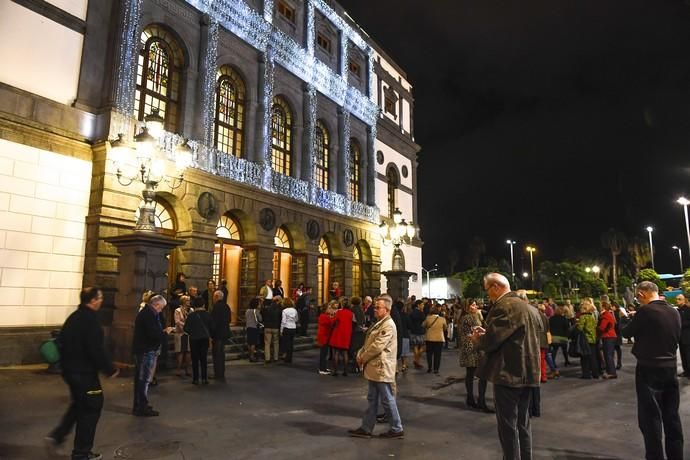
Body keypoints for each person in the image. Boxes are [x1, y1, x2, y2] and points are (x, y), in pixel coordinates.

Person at [472, 273, 541, 460]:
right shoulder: (530, 309)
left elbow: (491, 342)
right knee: (523, 423)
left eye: (487, 291)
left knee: (508, 427)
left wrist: (478, 339)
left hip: (509, 373)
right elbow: (517, 336)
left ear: (495, 287)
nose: (488, 296)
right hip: (528, 373)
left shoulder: (505, 306)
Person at [46, 288, 118, 460]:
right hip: (84, 373)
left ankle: (57, 437)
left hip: (70, 371)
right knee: (91, 408)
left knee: (79, 404)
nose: (101, 301)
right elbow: (96, 350)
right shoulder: (90, 321)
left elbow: (62, 343)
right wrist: (109, 369)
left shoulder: (74, 317)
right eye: (100, 298)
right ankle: (81, 452)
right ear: (93, 300)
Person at [622, 281, 683, 460]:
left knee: (651, 419)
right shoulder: (674, 312)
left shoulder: (645, 312)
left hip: (649, 369)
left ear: (642, 294)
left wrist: (629, 317)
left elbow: (626, 333)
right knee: (672, 417)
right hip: (670, 367)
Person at [348, 294, 404, 439]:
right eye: (375, 307)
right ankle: (367, 427)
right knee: (372, 398)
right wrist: (361, 353)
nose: (375, 309)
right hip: (375, 367)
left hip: (381, 367)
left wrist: (362, 357)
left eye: (378, 307)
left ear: (387, 309)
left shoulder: (388, 325)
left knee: (387, 398)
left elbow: (377, 346)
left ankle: (396, 427)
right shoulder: (380, 322)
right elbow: (369, 342)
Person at [132, 294, 174, 416]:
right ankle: (140, 406)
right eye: (161, 307)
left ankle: (141, 404)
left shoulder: (149, 314)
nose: (161, 310)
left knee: (143, 379)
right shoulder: (148, 315)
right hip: (145, 351)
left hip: (146, 350)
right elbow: (153, 334)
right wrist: (165, 332)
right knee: (143, 380)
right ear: (156, 304)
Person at [459, 299, 492, 413]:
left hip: (471, 346)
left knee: (471, 374)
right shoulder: (469, 317)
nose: (476, 307)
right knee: (480, 374)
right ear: (467, 307)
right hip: (473, 347)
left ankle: (471, 398)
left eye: (475, 305)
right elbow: (479, 331)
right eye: (473, 305)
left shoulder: (472, 316)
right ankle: (480, 401)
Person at [184, 297, 212, 384]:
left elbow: (186, 328)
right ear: (203, 304)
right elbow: (212, 327)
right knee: (203, 358)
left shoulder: (191, 316)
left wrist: (192, 332)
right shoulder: (208, 315)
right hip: (204, 339)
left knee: (195, 359)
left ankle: (195, 379)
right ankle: (204, 378)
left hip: (194, 339)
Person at [329, 298, 354, 376]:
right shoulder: (351, 313)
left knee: (336, 352)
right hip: (347, 333)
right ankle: (345, 371)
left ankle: (335, 371)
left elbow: (333, 321)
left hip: (338, 333)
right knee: (345, 353)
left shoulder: (339, 312)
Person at [210, 290, 230, 381]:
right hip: (225, 333)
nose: (213, 298)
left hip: (217, 334)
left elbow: (213, 322)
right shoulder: (226, 306)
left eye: (214, 297)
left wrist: (211, 333)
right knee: (221, 354)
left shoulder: (216, 307)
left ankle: (218, 373)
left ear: (217, 296)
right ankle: (221, 373)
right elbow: (229, 319)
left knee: (217, 354)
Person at [577, 301, 600, 379]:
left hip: (585, 339)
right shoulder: (592, 316)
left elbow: (580, 328)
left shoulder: (583, 317)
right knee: (593, 357)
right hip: (593, 338)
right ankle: (595, 373)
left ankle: (586, 374)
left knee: (584, 357)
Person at [422, 305, 447, 374]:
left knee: (429, 354)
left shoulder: (428, 318)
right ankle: (436, 369)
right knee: (438, 354)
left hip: (429, 338)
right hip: (439, 339)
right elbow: (445, 328)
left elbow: (423, 325)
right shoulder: (442, 319)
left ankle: (429, 367)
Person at [173, 295, 193, 377]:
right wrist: (185, 325)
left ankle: (187, 369)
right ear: (183, 301)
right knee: (180, 351)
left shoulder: (191, 310)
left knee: (188, 351)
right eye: (187, 300)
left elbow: (193, 320)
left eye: (189, 300)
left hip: (189, 333)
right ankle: (178, 370)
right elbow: (177, 321)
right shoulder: (177, 310)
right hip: (180, 332)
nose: (189, 301)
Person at [598, 300, 618, 379]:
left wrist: (595, 328)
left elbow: (602, 327)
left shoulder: (605, 315)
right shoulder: (609, 314)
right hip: (611, 336)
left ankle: (611, 373)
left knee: (608, 355)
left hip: (608, 336)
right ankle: (611, 371)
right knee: (610, 355)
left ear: (603, 307)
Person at [316, 302, 336, 375]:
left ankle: (323, 367)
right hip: (323, 336)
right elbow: (331, 322)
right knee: (323, 353)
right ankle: (322, 369)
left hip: (325, 336)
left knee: (324, 353)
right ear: (325, 309)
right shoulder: (324, 316)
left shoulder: (325, 315)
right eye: (329, 308)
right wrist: (334, 315)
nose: (331, 309)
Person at [262, 295, 282, 363]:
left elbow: (263, 316)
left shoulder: (267, 308)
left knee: (267, 343)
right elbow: (280, 318)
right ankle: (275, 357)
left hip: (267, 327)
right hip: (275, 327)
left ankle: (267, 358)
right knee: (276, 343)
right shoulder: (279, 309)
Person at [350, 296, 367, 373]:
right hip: (361, 331)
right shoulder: (361, 310)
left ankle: (355, 366)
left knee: (354, 350)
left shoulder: (352, 310)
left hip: (355, 331)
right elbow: (364, 320)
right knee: (359, 350)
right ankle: (360, 366)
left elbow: (353, 321)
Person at [675, 294, 690, 378]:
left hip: (688, 337)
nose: (677, 301)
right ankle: (686, 372)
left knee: (688, 356)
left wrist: (680, 324)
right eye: (676, 299)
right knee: (683, 355)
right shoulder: (677, 311)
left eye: (679, 299)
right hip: (680, 338)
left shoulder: (688, 310)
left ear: (684, 300)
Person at [280, 297, 299, 363]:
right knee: (291, 343)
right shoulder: (294, 310)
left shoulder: (284, 311)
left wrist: (281, 330)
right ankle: (290, 358)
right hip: (293, 327)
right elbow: (296, 319)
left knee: (286, 343)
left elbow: (283, 321)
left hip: (286, 327)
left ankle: (286, 358)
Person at [409, 299, 426, 369]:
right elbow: (423, 321)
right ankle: (416, 361)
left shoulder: (412, 312)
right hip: (420, 331)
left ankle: (416, 361)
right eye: (422, 305)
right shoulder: (421, 313)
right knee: (422, 347)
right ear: (418, 305)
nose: (423, 306)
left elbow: (410, 322)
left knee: (415, 346)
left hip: (413, 331)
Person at [245, 297, 263, 362]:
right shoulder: (256, 311)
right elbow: (260, 319)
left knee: (249, 342)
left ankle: (250, 355)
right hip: (254, 328)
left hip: (248, 327)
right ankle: (252, 356)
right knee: (253, 343)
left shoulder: (247, 311)